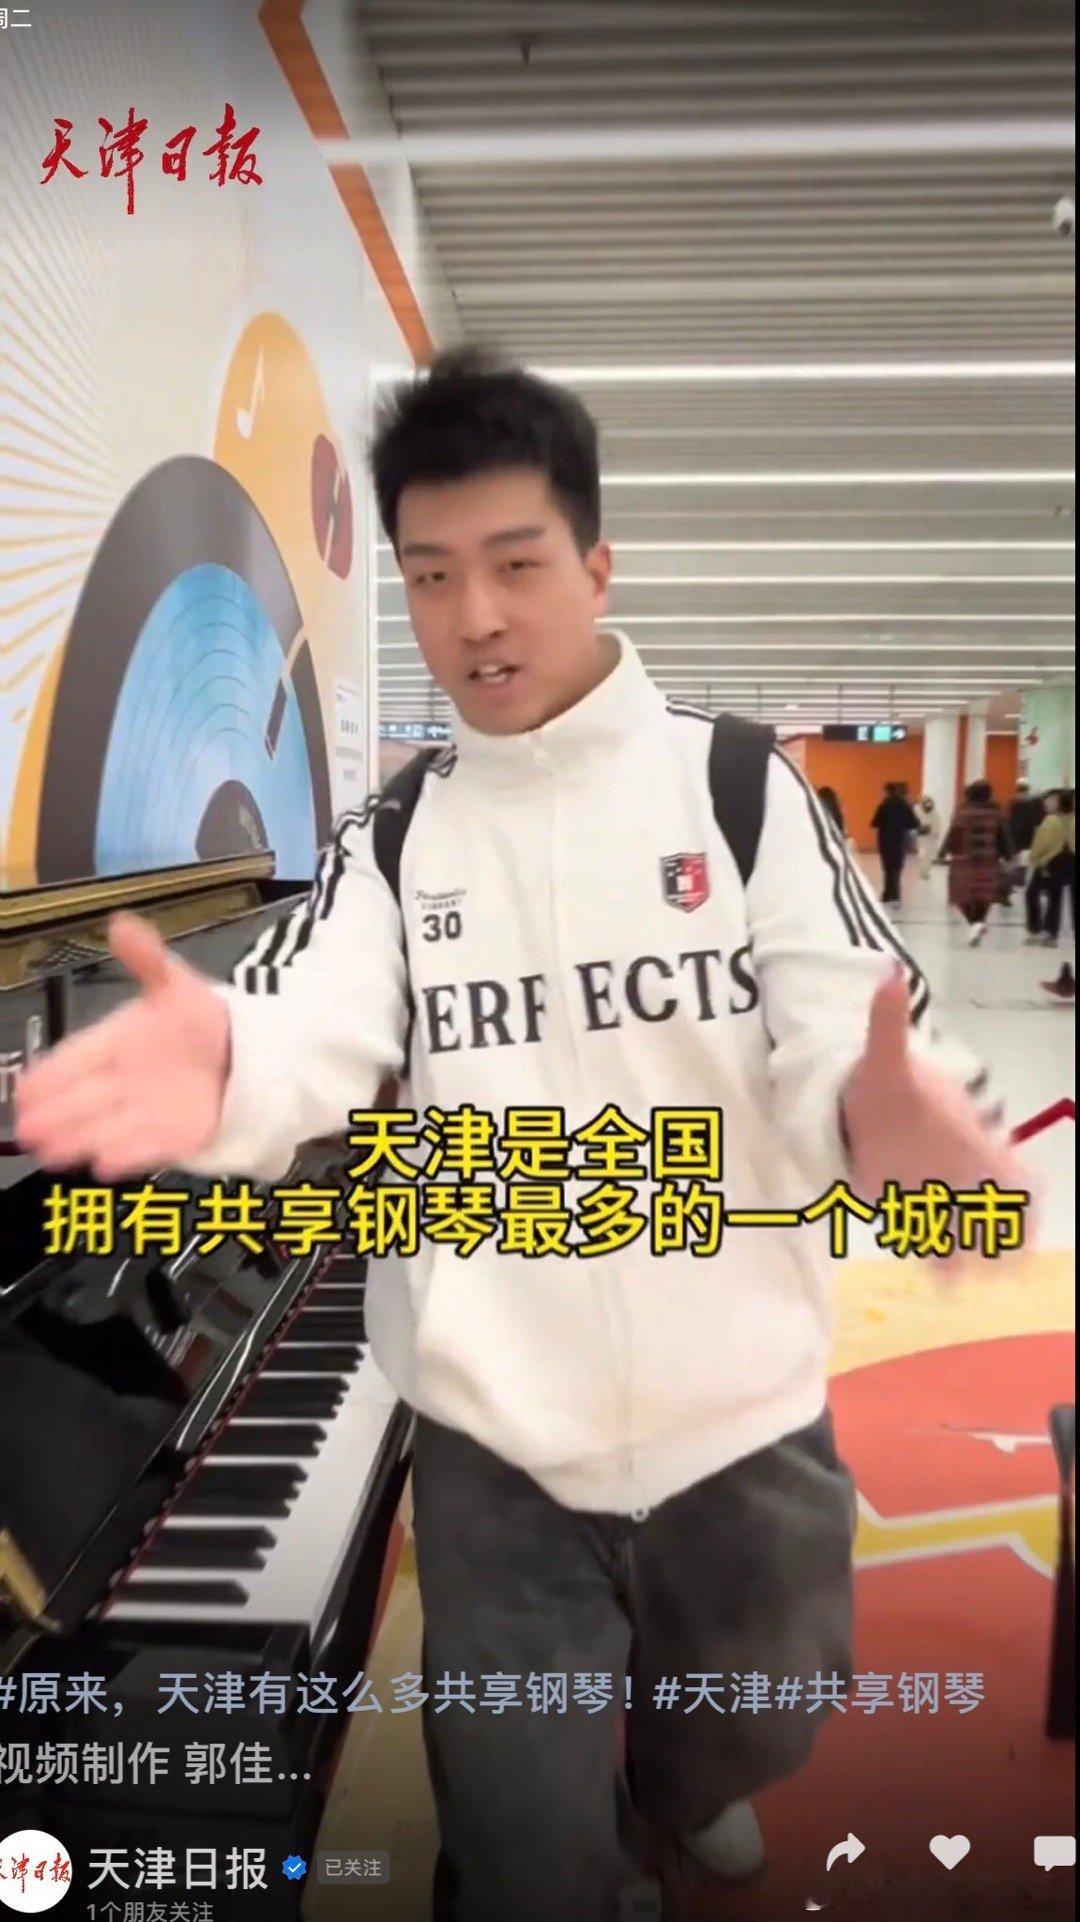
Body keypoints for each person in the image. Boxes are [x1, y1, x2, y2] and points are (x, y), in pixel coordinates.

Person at [13, 349, 1025, 1922]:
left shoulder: (738, 789)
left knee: (760, 1715)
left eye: (514, 563)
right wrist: (232, 1063)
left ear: (596, 564)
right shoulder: (397, 839)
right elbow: (311, 1022)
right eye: (429, 575)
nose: (473, 615)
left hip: (740, 1420)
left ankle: (678, 1781)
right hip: (498, 1450)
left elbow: (851, 1019)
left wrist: (878, 1114)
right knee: (521, 1846)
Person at [939, 780, 1010, 947]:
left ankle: (974, 923)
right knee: (984, 894)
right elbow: (1002, 835)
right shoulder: (996, 813)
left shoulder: (962, 812)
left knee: (961, 895)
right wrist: (1007, 854)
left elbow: (953, 834)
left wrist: (943, 852)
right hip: (988, 859)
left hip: (964, 860)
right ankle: (978, 923)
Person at [870, 781, 920, 907]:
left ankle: (887, 894)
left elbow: (874, 822)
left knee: (887, 867)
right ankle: (895, 895)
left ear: (887, 792)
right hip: (900, 840)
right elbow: (914, 823)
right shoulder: (905, 805)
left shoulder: (884, 805)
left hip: (885, 840)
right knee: (896, 868)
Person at [1025, 790, 1064, 944]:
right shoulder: (1052, 819)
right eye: (1047, 800)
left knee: (1034, 893)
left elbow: (1045, 844)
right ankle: (1049, 932)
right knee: (1053, 896)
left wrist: (1036, 858)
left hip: (1047, 863)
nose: (1047, 803)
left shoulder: (1052, 820)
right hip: (1052, 862)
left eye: (1052, 800)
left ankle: (1039, 930)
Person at [1039, 788, 1076, 948]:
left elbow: (1041, 841)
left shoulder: (1051, 821)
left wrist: (1037, 859)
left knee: (1054, 897)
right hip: (1073, 860)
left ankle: (1051, 933)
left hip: (1055, 861)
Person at [913, 794, 941, 878]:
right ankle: (920, 871)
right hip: (920, 837)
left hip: (931, 838)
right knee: (921, 855)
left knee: (929, 856)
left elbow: (937, 826)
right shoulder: (916, 810)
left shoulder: (935, 814)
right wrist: (918, 829)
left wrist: (933, 832)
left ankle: (925, 872)